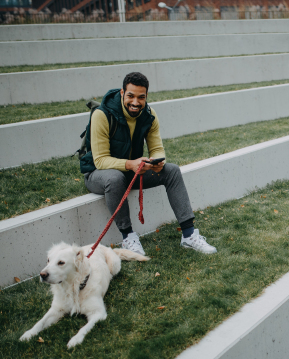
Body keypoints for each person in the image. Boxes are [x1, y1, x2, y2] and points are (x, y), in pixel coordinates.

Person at [79, 72, 216, 256]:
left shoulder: (149, 114)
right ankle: (128, 237)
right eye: (131, 96)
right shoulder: (102, 115)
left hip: (131, 170)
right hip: (98, 174)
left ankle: (189, 235)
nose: (135, 102)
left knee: (172, 170)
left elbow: (157, 149)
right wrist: (130, 164)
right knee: (114, 177)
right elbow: (101, 160)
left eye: (141, 97)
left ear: (146, 97)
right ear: (122, 93)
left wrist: (157, 162)